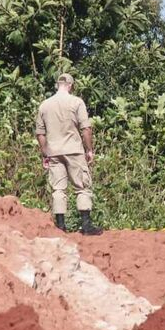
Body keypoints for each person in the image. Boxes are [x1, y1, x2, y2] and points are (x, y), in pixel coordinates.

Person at [35, 73, 102, 235]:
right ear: (71, 85)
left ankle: (61, 226)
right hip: (74, 150)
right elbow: (86, 128)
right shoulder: (76, 102)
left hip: (54, 152)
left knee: (58, 189)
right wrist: (89, 149)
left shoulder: (45, 105)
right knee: (82, 187)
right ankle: (86, 226)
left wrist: (45, 154)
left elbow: (40, 133)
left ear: (58, 85)